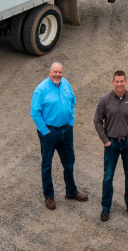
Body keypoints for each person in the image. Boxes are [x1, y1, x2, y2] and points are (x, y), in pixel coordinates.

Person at [30, 61, 88, 210]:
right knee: (47, 165)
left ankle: (71, 191)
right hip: (49, 133)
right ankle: (49, 196)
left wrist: (72, 121)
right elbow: (35, 113)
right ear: (49, 73)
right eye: (55, 72)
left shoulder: (65, 84)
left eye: (60, 72)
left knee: (69, 162)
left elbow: (72, 101)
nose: (57, 75)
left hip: (66, 130)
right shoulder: (41, 90)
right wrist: (45, 132)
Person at [93, 70, 128, 221]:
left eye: (122, 81)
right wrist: (106, 141)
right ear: (113, 82)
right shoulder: (105, 100)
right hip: (112, 145)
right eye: (116, 81)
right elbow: (97, 120)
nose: (119, 84)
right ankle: (105, 207)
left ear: (126, 82)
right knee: (108, 177)